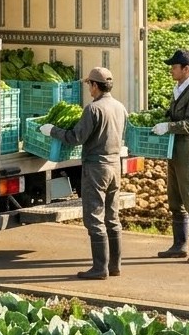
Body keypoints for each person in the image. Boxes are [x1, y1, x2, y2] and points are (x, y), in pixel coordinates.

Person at [40, 66, 128, 280]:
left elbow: (76, 137)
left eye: (89, 84)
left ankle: (99, 269)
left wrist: (52, 130)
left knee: (94, 218)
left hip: (96, 168)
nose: (88, 87)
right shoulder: (119, 106)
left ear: (96, 85)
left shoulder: (93, 109)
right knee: (112, 217)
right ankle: (114, 266)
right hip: (115, 166)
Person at [151, 48, 189, 263]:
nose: (171, 70)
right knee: (175, 200)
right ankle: (179, 245)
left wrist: (168, 126)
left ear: (186, 69)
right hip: (175, 149)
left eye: (174, 67)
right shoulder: (179, 89)